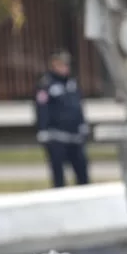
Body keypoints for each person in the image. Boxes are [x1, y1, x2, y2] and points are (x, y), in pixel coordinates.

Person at [34, 49, 91, 188]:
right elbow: (42, 108)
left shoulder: (72, 83)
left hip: (75, 135)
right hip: (56, 136)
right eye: (61, 64)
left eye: (66, 65)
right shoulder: (46, 84)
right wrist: (43, 129)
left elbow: (78, 105)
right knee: (58, 175)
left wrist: (82, 123)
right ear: (54, 65)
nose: (65, 68)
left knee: (82, 172)